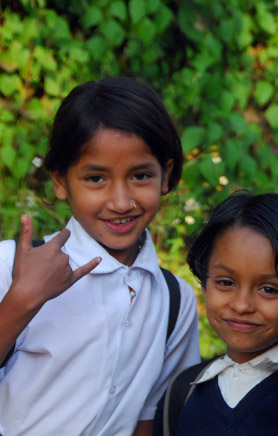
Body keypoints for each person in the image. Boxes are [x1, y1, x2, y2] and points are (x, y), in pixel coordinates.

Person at [0, 78, 200, 436]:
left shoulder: (174, 301)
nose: (121, 202)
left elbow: (149, 417)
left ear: (166, 176)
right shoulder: (11, 265)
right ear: (60, 182)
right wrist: (22, 300)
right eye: (96, 178)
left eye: (140, 175)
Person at [154, 191, 278, 436]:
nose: (241, 305)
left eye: (268, 289)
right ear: (204, 282)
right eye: (226, 282)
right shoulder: (183, 393)